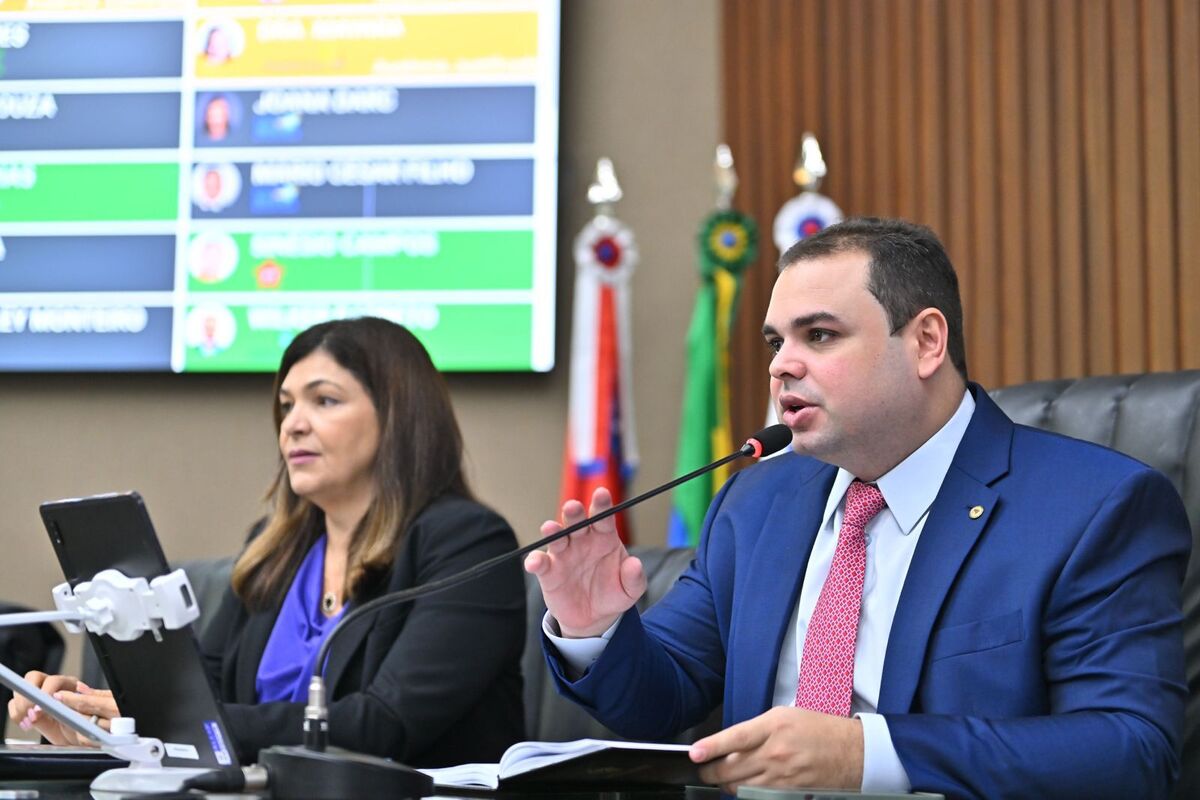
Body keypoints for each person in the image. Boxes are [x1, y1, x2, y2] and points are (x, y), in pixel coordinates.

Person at [526, 218, 1191, 798]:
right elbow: (661, 697)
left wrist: (865, 754)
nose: (781, 367)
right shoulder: (756, 503)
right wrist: (596, 631)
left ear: (927, 342)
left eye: (818, 335)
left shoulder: (1093, 508)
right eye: (775, 343)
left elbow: (1130, 752)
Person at [10, 317, 526, 767]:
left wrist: (161, 720)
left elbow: (384, 724)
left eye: (324, 400)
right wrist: (98, 720)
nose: (293, 425)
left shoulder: (468, 543)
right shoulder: (274, 549)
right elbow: (207, 696)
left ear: (399, 417)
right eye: (286, 405)